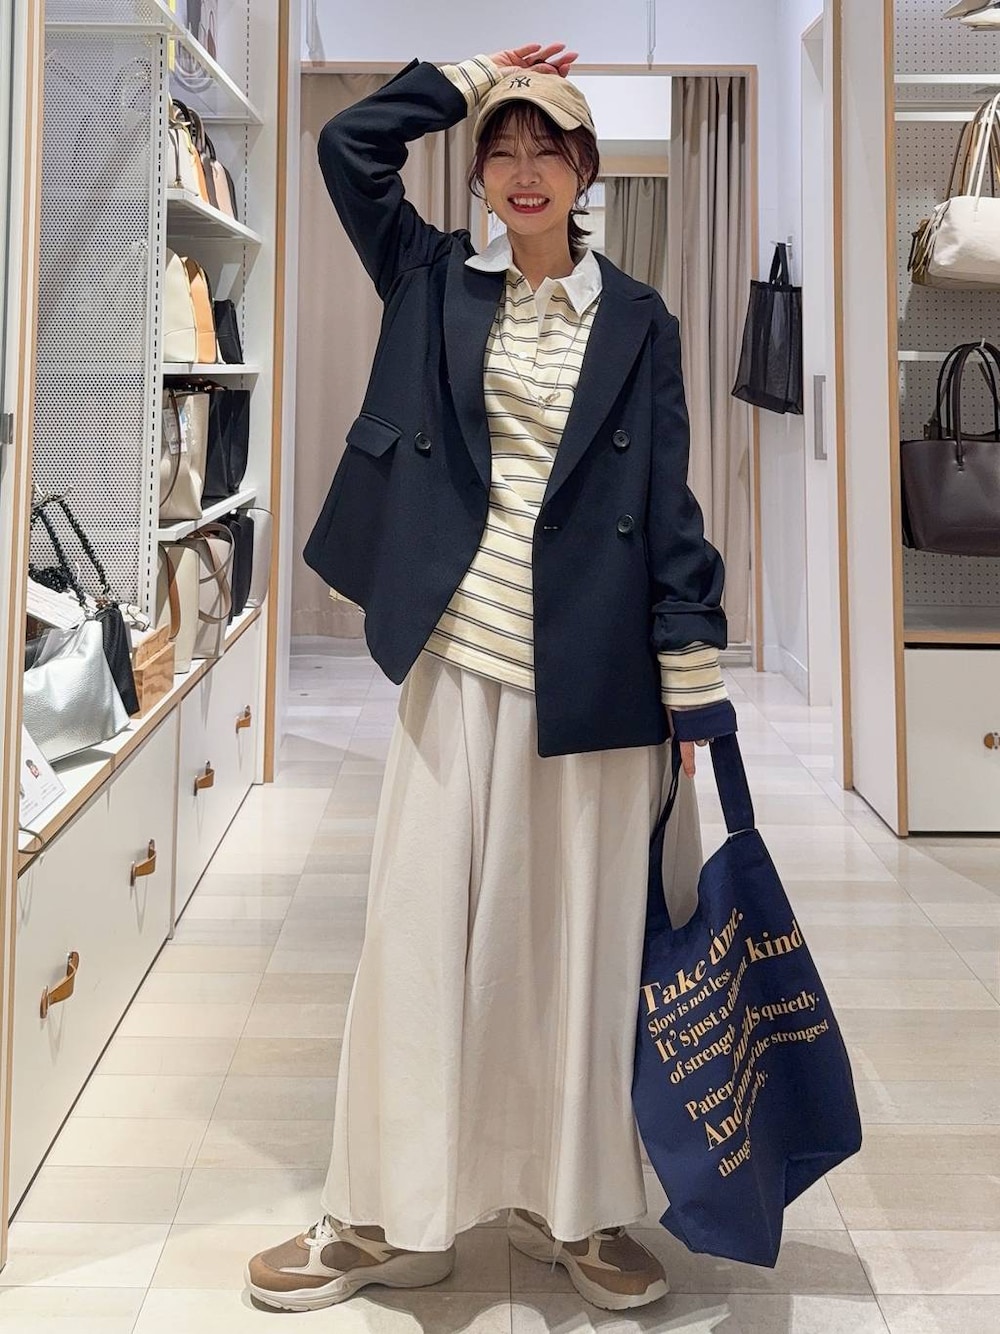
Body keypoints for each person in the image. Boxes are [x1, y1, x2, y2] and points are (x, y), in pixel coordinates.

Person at [248, 42, 734, 1315]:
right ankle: (383, 1212)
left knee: (575, 954)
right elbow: (348, 147)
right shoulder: (431, 280)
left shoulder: (638, 318)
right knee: (416, 941)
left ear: (585, 171)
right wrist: (469, 78)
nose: (523, 171)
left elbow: (667, 500)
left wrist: (690, 675)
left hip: (596, 674)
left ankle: (577, 1208)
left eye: (547, 149)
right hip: (458, 658)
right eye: (502, 150)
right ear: (476, 173)